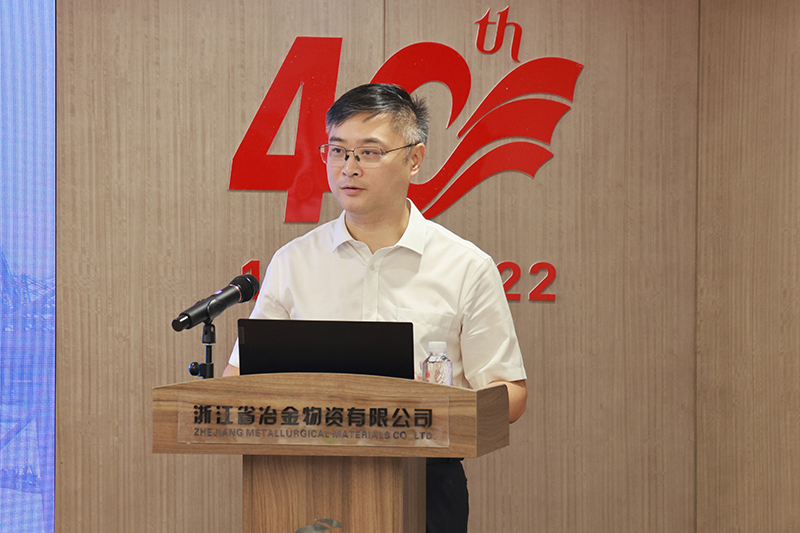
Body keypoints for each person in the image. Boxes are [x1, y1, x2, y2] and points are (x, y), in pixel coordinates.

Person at [223, 83, 527, 533]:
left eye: (369, 152)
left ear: (414, 159)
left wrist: (436, 407)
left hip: (425, 482)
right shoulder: (295, 261)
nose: (349, 168)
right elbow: (238, 380)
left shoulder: (465, 266)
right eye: (338, 151)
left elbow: (510, 393)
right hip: (304, 480)